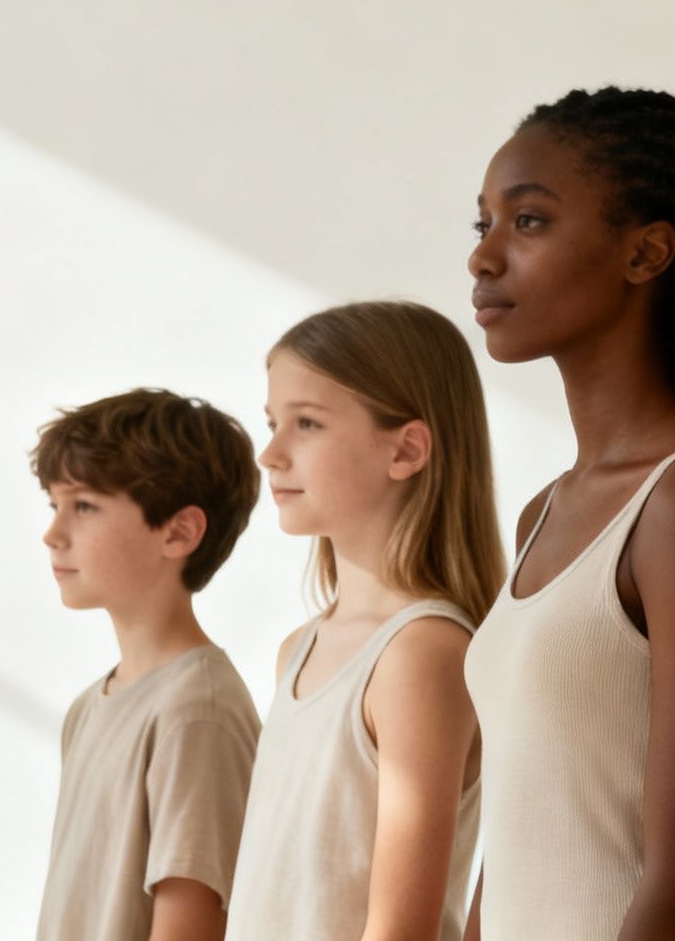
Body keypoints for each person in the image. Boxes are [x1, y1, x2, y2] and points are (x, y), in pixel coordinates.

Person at [462, 86, 675, 940]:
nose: (483, 257)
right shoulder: (546, 514)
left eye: (528, 221)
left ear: (646, 251)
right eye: (483, 224)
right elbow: (515, 840)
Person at [226, 301, 505, 940]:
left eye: (306, 423)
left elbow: (400, 929)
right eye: (272, 422)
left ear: (406, 449)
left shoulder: (421, 653)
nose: (270, 453)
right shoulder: (298, 650)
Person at [30, 388, 263, 941]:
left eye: (84, 506)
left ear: (179, 531)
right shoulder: (89, 708)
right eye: (54, 506)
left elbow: (192, 926)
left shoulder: (197, 713)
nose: (52, 534)